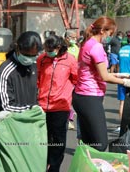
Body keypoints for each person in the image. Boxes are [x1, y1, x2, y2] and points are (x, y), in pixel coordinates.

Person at [72, 16, 130, 151]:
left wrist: (120, 74)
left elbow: (98, 73)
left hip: (82, 96)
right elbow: (104, 76)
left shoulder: (87, 43)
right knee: (100, 144)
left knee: (89, 143)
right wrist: (125, 82)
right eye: (110, 33)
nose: (110, 37)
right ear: (103, 31)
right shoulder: (96, 47)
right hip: (89, 97)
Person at [37, 35, 78, 172]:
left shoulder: (70, 60)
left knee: (58, 141)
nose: (48, 52)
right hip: (42, 106)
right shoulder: (42, 59)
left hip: (60, 106)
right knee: (44, 139)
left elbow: (76, 79)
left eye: (50, 49)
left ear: (59, 47)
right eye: (46, 49)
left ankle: (54, 168)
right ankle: (43, 165)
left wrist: (66, 92)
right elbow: (37, 78)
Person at [0, 31, 42, 112]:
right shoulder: (5, 71)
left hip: (31, 120)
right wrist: (30, 109)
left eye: (34, 56)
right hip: (11, 122)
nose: (30, 59)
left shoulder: (34, 66)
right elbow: (6, 106)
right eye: (27, 55)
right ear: (17, 48)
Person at [64, 30, 79, 130]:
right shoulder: (61, 47)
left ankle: (69, 119)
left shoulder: (76, 48)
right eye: (72, 37)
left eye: (75, 37)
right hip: (62, 78)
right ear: (67, 38)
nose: (74, 39)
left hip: (73, 78)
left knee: (71, 99)